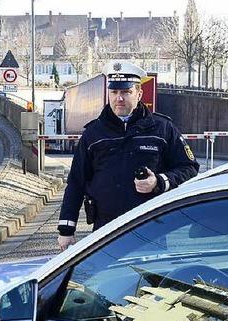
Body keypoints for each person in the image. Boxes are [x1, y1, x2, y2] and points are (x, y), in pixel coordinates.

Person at [57, 60, 200, 251]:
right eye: (114, 92)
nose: (119, 99)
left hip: (151, 229)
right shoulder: (93, 134)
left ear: (139, 94)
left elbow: (189, 167)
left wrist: (159, 182)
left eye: (126, 92)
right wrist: (66, 229)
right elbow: (76, 182)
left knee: (150, 281)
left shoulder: (162, 129)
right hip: (105, 231)